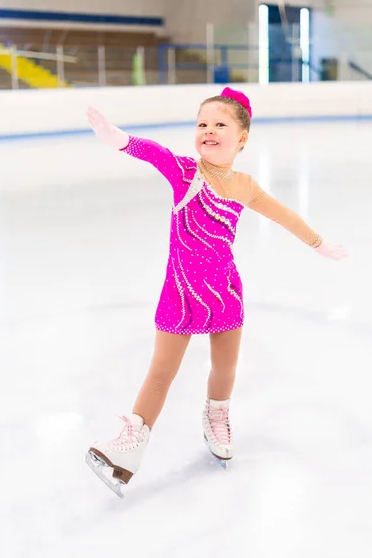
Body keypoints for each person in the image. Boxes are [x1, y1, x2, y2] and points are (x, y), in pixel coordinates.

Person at [85, 87, 347, 491]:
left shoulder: (244, 186)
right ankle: (130, 445)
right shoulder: (186, 172)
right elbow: (154, 152)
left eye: (219, 124)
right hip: (181, 291)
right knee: (160, 373)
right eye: (202, 123)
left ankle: (217, 417)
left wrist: (318, 243)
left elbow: (284, 215)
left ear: (242, 137)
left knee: (225, 368)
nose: (208, 130)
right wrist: (117, 138)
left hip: (225, 291)